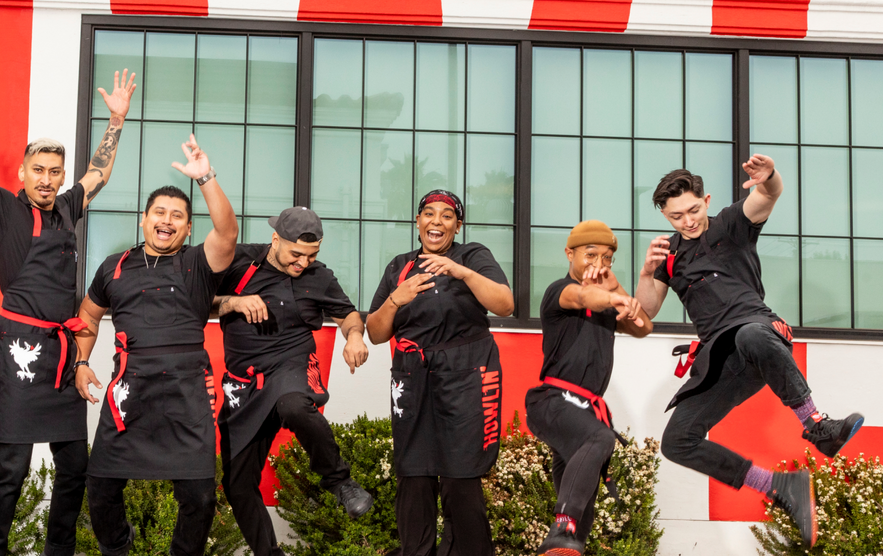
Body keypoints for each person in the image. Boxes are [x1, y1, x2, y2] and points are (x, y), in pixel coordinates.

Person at [0, 42, 137, 556]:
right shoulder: (0, 208)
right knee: (11, 467)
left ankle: (58, 549)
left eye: (56, 171)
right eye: (40, 170)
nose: (49, 179)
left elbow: (98, 172)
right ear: (22, 173)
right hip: (16, 350)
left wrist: (116, 121)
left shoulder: (67, 209)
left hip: (62, 354)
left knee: (74, 466)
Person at [635, 155, 865, 547]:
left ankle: (817, 426)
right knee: (677, 442)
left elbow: (768, 195)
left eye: (693, 210)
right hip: (719, 359)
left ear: (706, 200)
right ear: (664, 214)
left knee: (750, 335)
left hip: (758, 335)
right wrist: (645, 272)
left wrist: (770, 177)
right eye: (676, 217)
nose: (688, 221)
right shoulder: (669, 256)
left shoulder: (731, 223)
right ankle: (780, 487)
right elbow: (648, 312)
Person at [72, 134, 238, 556]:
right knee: (101, 490)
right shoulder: (115, 267)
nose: (167, 221)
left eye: (177, 216)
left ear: (187, 227)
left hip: (187, 394)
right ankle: (119, 549)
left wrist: (206, 178)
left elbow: (228, 231)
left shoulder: (198, 264)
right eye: (159, 213)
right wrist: (81, 361)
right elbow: (89, 314)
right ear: (144, 220)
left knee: (199, 498)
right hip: (130, 393)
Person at [210, 206, 375, 556]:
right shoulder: (239, 261)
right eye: (296, 254)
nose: (303, 263)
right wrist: (234, 302)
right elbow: (199, 303)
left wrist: (355, 337)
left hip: (292, 365)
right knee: (237, 484)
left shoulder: (319, 277)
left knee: (293, 405)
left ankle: (340, 482)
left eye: (311, 255)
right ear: (275, 239)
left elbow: (346, 314)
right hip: (243, 382)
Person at [365, 189, 514, 556]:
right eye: (429, 214)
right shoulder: (399, 266)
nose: (437, 221)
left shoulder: (473, 255)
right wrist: (396, 299)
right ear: (418, 222)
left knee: (461, 477)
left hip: (467, 375)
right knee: (413, 475)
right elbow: (376, 332)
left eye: (446, 216)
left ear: (457, 225)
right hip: (412, 377)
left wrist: (460, 271)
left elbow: (506, 305)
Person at [525, 221, 653, 556]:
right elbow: (585, 296)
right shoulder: (560, 291)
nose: (598, 263)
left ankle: (569, 542)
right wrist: (613, 296)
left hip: (583, 407)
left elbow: (644, 327)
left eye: (607, 257)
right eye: (590, 254)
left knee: (585, 496)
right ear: (570, 253)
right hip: (553, 402)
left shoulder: (609, 298)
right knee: (600, 438)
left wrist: (618, 288)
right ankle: (562, 524)